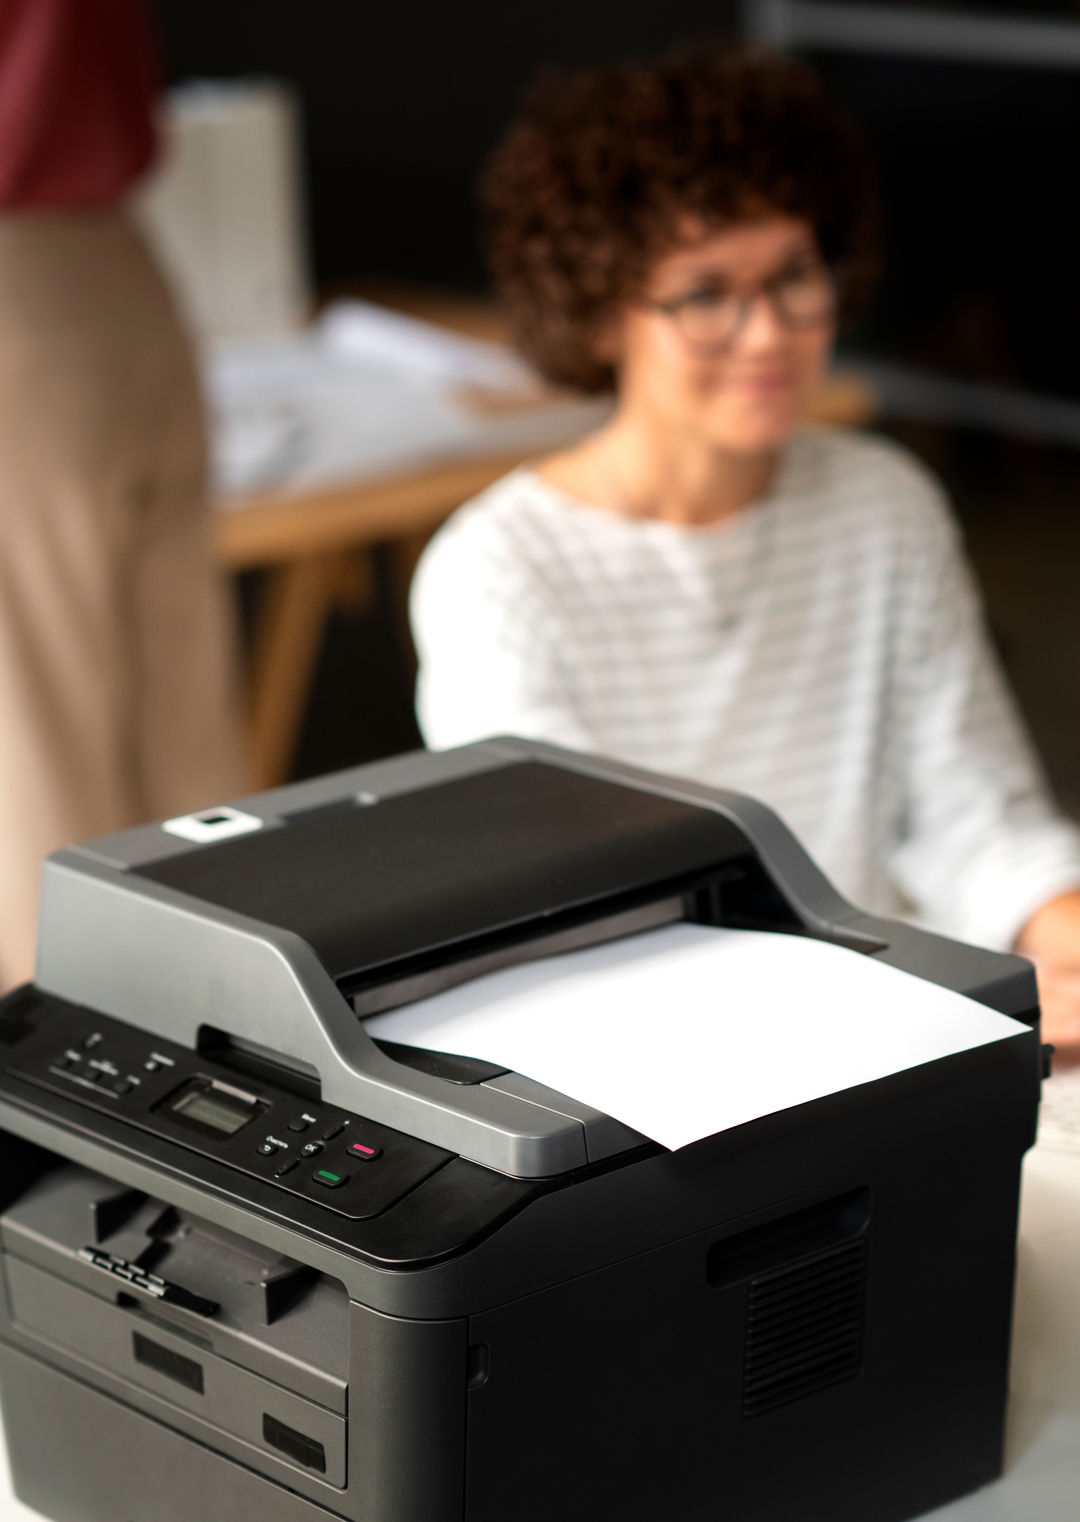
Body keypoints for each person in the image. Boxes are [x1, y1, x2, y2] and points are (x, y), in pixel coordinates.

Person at [410, 41, 1080, 1058]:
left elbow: (976, 815)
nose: (768, 333)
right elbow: (568, 932)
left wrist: (1058, 926)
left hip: (913, 1025)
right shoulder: (498, 575)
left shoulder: (881, 505)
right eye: (707, 293)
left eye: (793, 277)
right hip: (672, 1066)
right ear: (603, 312)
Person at [0, 0, 247, 987]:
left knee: (34, 765)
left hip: (30, 281)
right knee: (189, 761)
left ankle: (58, 1120)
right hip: (105, 269)